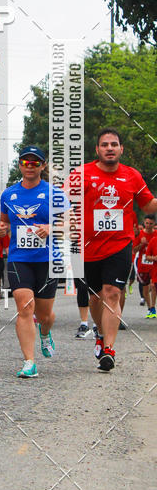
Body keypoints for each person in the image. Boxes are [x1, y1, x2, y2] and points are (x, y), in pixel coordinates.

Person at [78, 129, 157, 371]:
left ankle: (109, 349)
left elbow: (147, 205)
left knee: (112, 292)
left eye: (114, 144)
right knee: (95, 297)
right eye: (105, 145)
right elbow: (62, 200)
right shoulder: (82, 174)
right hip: (89, 247)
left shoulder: (132, 175)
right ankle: (100, 334)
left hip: (120, 245)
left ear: (121, 149)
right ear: (97, 150)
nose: (110, 148)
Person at [0, 146, 67, 379]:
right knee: (25, 307)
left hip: (47, 259)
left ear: (43, 166)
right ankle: (29, 362)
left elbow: (71, 224)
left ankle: (45, 332)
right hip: (19, 258)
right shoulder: (8, 194)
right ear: (19, 165)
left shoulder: (54, 193)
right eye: (26, 162)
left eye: (35, 163)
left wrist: (51, 227)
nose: (30, 166)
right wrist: (2, 229)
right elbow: (5, 223)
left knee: (45, 315)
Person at [134, 215, 156, 318]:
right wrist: (141, 244)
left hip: (154, 264)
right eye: (147, 223)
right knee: (145, 288)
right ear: (144, 222)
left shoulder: (156, 234)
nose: (148, 225)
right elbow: (134, 250)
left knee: (153, 285)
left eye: (151, 224)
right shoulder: (140, 234)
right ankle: (149, 308)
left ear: (154, 224)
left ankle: (153, 307)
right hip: (143, 264)